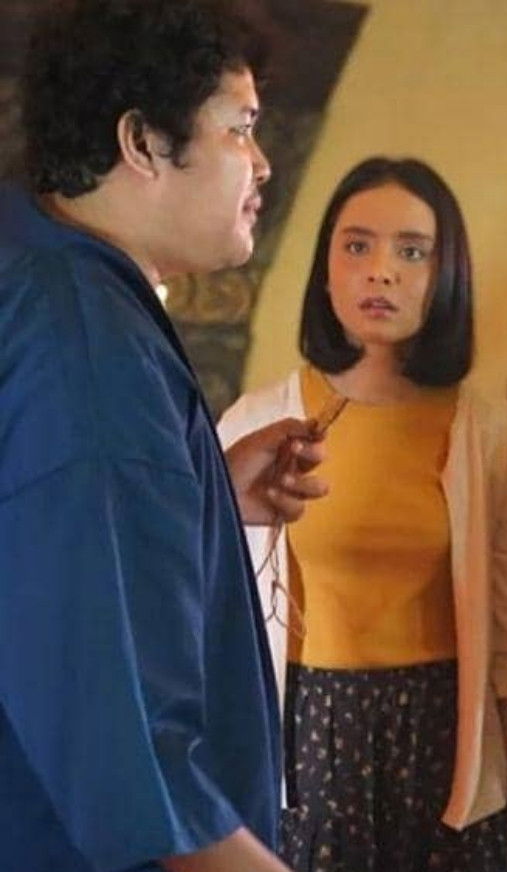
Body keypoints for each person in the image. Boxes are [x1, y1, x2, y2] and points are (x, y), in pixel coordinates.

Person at [0, 1, 326, 869]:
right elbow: (122, 744)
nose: (262, 163)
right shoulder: (86, 343)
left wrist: (200, 492)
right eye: (240, 129)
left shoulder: (38, 271)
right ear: (142, 141)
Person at [218, 157, 507, 872]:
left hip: (443, 743)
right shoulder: (255, 424)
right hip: (307, 741)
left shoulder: (492, 437)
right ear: (325, 270)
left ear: (447, 274)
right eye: (357, 246)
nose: (381, 272)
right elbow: (210, 630)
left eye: (412, 252)